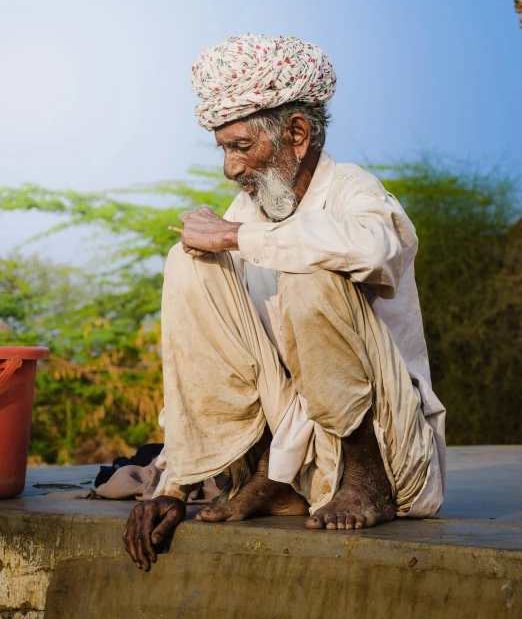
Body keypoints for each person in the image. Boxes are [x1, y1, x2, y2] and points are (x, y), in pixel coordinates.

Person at [123, 34, 446, 572]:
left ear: (296, 134)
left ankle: (364, 478)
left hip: (393, 450)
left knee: (309, 271)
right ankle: (272, 480)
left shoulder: (354, 191)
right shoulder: (249, 208)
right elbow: (202, 351)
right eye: (223, 148)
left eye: (241, 147)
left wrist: (234, 239)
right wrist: (173, 487)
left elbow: (376, 250)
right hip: (287, 450)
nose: (229, 168)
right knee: (187, 263)